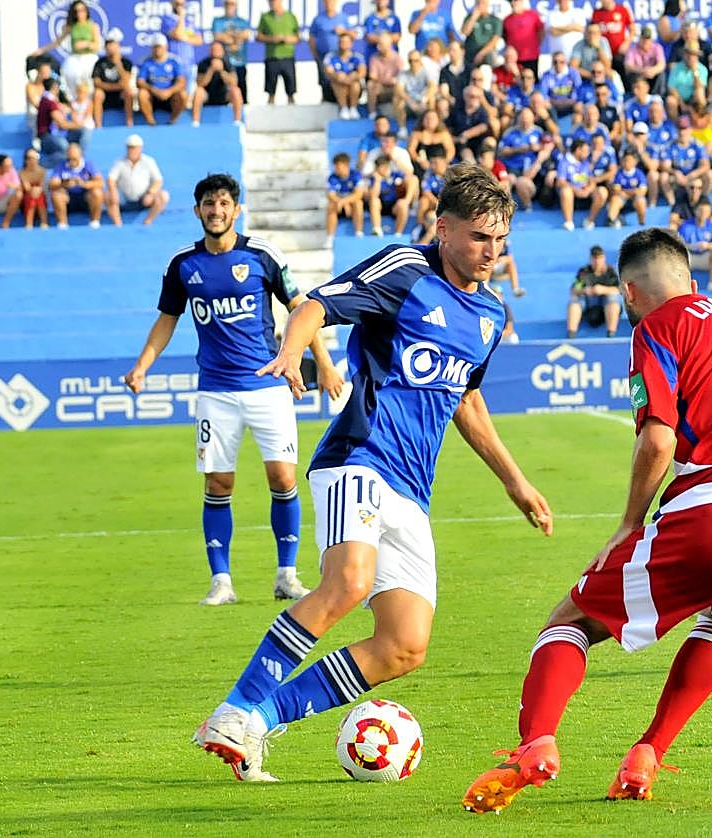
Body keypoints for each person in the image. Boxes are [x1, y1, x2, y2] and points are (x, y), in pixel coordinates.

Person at [462, 226, 712, 814]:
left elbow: (658, 439)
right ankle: (646, 754)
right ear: (693, 280)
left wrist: (629, 523)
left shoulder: (658, 327)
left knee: (570, 618)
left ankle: (535, 744)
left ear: (628, 293)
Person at [191, 165, 551, 782]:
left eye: (500, 241)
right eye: (478, 238)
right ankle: (233, 709)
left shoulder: (490, 315)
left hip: (412, 489)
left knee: (405, 645)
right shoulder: (407, 270)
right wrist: (289, 350)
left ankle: (260, 722)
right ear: (443, 229)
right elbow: (315, 306)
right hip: (359, 457)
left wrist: (515, 481)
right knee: (347, 584)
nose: (491, 253)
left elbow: (466, 400)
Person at [124, 173, 343, 608]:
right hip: (216, 392)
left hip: (267, 386)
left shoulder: (262, 255)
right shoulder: (183, 265)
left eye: (224, 203)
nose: (216, 210)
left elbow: (303, 310)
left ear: (236, 210)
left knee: (282, 477)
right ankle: (221, 581)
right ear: (198, 211)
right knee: (219, 483)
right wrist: (142, 365)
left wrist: (324, 362)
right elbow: (168, 319)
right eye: (209, 203)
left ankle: (286, 574)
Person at [31, 0, 100, 102]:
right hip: (75, 58)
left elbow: (97, 45)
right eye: (76, 11)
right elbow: (57, 42)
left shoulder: (93, 26)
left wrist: (86, 44)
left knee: (89, 79)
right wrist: (41, 50)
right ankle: (73, 102)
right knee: (70, 75)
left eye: (82, 10)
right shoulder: (70, 27)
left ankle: (89, 104)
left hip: (89, 58)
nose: (80, 13)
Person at [105, 133, 170, 227]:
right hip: (124, 199)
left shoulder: (148, 161)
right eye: (129, 147)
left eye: (134, 147)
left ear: (140, 148)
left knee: (163, 196)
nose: (132, 150)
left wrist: (150, 193)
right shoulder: (119, 162)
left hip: (143, 198)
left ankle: (148, 221)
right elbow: (111, 179)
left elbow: (158, 180)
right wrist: (113, 191)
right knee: (108, 195)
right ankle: (118, 224)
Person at [566, 244, 622, 337]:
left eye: (600, 258)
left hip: (606, 305)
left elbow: (621, 290)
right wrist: (585, 291)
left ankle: (611, 334)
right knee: (574, 302)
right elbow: (573, 290)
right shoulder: (584, 272)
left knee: (613, 300)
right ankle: (571, 334)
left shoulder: (611, 272)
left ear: (604, 258)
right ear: (590, 259)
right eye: (594, 258)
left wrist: (603, 290)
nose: (597, 262)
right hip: (589, 305)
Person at [48, 141, 102, 229]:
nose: (71, 161)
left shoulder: (89, 165)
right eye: (69, 159)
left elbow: (100, 182)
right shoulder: (61, 165)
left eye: (74, 159)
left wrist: (84, 184)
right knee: (56, 194)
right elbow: (52, 184)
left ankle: (95, 222)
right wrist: (64, 184)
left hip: (85, 197)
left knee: (97, 192)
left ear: (80, 156)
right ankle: (62, 224)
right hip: (68, 199)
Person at [137, 34, 188, 126]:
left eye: (159, 47)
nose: (157, 50)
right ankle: (151, 123)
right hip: (153, 96)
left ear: (166, 47)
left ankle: (173, 120)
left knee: (183, 95)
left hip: (170, 96)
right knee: (142, 94)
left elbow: (182, 81)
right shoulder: (146, 62)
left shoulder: (174, 61)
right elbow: (140, 81)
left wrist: (169, 91)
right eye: (155, 47)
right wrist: (154, 90)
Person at [192, 42, 245, 127]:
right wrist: (211, 70)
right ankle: (195, 122)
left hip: (223, 95)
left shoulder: (228, 63)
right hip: (208, 95)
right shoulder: (203, 63)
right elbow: (200, 84)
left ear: (223, 51)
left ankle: (237, 121)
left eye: (218, 50)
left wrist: (221, 71)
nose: (215, 52)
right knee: (198, 92)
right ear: (209, 51)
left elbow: (234, 82)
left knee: (236, 91)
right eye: (213, 49)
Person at [258, 0, 300, 106]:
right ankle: (270, 106)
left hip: (288, 56)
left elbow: (298, 37)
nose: (272, 3)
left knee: (290, 85)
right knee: (271, 86)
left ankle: (292, 105)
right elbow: (258, 36)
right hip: (272, 56)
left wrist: (286, 39)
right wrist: (272, 39)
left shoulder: (290, 16)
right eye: (270, 1)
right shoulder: (265, 17)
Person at [310, 0, 352, 103]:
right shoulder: (318, 19)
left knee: (342, 76)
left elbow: (353, 35)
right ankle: (325, 98)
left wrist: (343, 31)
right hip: (323, 55)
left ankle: (345, 100)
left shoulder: (343, 18)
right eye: (327, 2)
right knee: (324, 78)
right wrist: (314, 54)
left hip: (339, 56)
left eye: (332, 2)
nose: (329, 4)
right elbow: (311, 37)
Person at [678, 198, 712, 287]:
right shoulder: (686, 225)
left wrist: (707, 245)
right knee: (677, 254)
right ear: (695, 211)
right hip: (689, 257)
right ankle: (680, 285)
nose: (703, 213)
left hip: (706, 257)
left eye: (707, 211)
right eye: (701, 210)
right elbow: (679, 243)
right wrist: (692, 246)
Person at [92, 34, 135, 129]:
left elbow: (126, 82)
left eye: (112, 45)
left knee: (129, 92)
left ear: (118, 47)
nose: (110, 48)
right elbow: (96, 83)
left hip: (120, 95)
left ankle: (129, 122)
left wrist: (118, 64)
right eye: (108, 45)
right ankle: (98, 125)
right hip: (105, 95)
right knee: (97, 93)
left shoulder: (126, 62)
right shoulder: (100, 63)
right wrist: (115, 86)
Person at [213, 0, 253, 102]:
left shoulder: (242, 21)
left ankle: (241, 113)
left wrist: (228, 36)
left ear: (236, 6)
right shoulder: (218, 21)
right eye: (227, 4)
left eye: (232, 4)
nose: (229, 6)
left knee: (241, 88)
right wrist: (236, 37)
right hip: (224, 63)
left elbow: (246, 35)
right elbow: (218, 36)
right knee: (223, 91)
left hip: (239, 62)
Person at [367, 155, 414, 236]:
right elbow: (373, 196)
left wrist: (406, 199)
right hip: (380, 207)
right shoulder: (374, 178)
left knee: (402, 204)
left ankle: (398, 233)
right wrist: (377, 181)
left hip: (393, 206)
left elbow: (411, 178)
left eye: (385, 165)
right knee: (374, 201)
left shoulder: (396, 175)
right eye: (380, 167)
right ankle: (377, 229)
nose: (383, 168)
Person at [324, 31, 365, 120]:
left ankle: (353, 108)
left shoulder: (357, 57)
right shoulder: (330, 56)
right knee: (338, 81)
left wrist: (353, 76)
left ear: (351, 44)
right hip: (333, 90)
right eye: (341, 42)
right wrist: (338, 76)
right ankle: (344, 108)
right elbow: (329, 72)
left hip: (353, 87)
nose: (343, 44)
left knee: (355, 83)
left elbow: (362, 72)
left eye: (346, 42)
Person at [161, 0, 203, 79]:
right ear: (172, 3)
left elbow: (199, 40)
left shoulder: (189, 21)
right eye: (177, 4)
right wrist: (181, 17)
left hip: (188, 63)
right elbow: (177, 34)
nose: (180, 7)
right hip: (173, 63)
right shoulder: (167, 19)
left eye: (182, 4)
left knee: (189, 90)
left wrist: (183, 38)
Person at [606, 148, 648, 227]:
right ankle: (611, 221)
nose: (627, 163)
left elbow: (642, 191)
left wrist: (626, 192)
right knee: (615, 199)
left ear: (635, 162)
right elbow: (617, 190)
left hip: (635, 199)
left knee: (641, 201)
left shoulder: (639, 174)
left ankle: (642, 223)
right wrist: (633, 191)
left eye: (629, 160)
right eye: (625, 160)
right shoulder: (619, 174)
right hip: (623, 199)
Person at [19, 148, 49, 229]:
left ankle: (43, 222)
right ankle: (29, 223)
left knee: (39, 197)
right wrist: (34, 190)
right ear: (26, 160)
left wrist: (37, 190)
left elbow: (42, 187)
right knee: (32, 197)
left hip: (40, 195)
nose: (32, 161)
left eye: (34, 158)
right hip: (27, 198)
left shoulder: (42, 171)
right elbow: (27, 188)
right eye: (29, 158)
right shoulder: (22, 173)